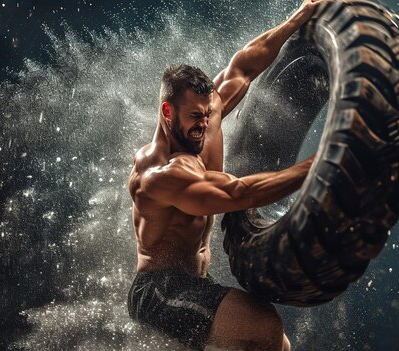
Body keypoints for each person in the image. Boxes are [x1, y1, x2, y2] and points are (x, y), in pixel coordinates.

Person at [127, 1, 329, 350]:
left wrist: (301, 16)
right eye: (194, 117)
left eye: (208, 114)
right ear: (167, 111)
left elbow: (246, 64)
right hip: (156, 291)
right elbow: (239, 194)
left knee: (280, 345)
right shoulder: (159, 175)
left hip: (194, 282)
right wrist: (320, 163)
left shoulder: (205, 117)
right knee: (259, 324)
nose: (203, 126)